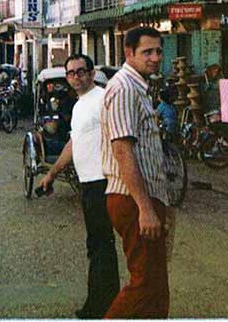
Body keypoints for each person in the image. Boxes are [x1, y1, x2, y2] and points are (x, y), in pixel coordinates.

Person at [39, 54, 120, 319]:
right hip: (87, 184)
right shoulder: (79, 106)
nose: (77, 77)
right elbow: (74, 145)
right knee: (98, 244)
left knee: (100, 245)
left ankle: (99, 307)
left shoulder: (103, 98)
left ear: (92, 73)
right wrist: (51, 174)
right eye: (71, 73)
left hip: (102, 181)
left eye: (81, 71)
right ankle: (106, 302)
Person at [100, 26, 170, 318]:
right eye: (147, 52)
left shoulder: (138, 86)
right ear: (129, 53)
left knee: (156, 287)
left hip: (145, 198)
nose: (155, 58)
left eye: (158, 51)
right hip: (131, 199)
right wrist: (145, 208)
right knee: (145, 284)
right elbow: (122, 150)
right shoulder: (124, 88)